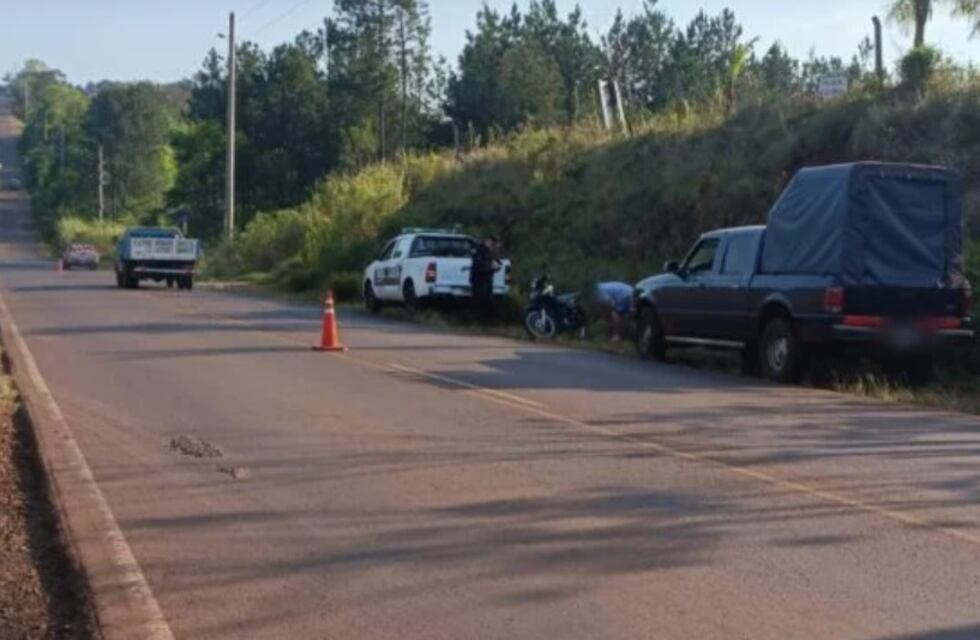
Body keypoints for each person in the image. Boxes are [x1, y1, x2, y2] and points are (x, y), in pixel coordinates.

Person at [470, 235, 500, 322]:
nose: (492, 245)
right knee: (479, 300)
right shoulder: (480, 250)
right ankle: (478, 319)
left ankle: (485, 319)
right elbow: (479, 264)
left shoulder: (489, 251)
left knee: (486, 299)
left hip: (486, 278)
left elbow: (495, 261)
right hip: (479, 279)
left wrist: (495, 266)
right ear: (487, 241)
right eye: (492, 242)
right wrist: (490, 267)